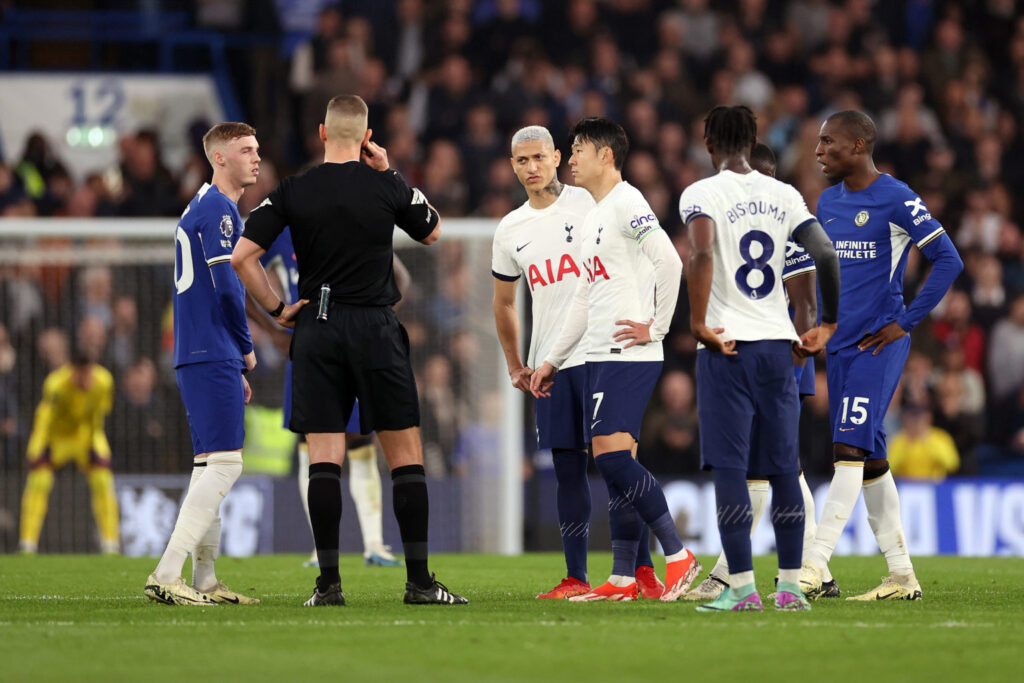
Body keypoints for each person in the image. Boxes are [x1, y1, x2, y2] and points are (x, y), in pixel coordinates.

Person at [233, 94, 466, 606]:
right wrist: (392, 171)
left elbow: (243, 257)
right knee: (404, 455)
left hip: (317, 326)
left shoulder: (294, 190)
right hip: (376, 326)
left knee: (325, 457)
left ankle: (329, 586)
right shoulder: (384, 184)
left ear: (321, 133)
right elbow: (432, 231)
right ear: (365, 137)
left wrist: (277, 309)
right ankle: (420, 583)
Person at [530, 117, 700, 603]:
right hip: (599, 350)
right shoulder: (595, 216)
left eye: (579, 149)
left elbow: (669, 260)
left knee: (608, 455)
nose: (572, 158)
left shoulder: (628, 202)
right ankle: (624, 576)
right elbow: (583, 297)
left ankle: (678, 555)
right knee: (615, 459)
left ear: (606, 155)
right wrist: (552, 359)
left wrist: (657, 327)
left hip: (629, 350)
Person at [678, 106, 841, 612]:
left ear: (708, 142)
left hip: (727, 348)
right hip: (778, 348)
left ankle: (743, 591)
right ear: (753, 140)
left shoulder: (700, 194)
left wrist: (698, 322)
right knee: (784, 470)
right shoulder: (785, 194)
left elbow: (702, 253)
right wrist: (827, 325)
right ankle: (790, 589)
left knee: (731, 471)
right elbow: (826, 256)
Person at [492, 125, 663, 600]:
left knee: (617, 462)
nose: (532, 167)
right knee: (567, 468)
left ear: (555, 157)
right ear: (512, 165)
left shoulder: (593, 201)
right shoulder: (510, 230)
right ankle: (576, 577)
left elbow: (646, 260)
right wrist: (515, 363)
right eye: (521, 160)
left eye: (539, 158)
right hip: (553, 358)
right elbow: (504, 303)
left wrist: (645, 322)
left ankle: (641, 571)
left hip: (606, 350)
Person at [801, 110, 963, 601]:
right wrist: (821, 328)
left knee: (847, 450)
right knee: (869, 459)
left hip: (879, 343)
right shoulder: (826, 203)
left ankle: (812, 565)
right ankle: (901, 576)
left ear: (859, 144)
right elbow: (825, 277)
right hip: (841, 348)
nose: (819, 151)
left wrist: (906, 321)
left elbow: (947, 259)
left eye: (829, 142)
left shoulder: (896, 196)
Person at [143, 122, 269, 606]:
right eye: (245, 150)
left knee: (208, 464)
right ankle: (166, 572)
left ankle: (206, 579)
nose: (256, 158)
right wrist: (245, 348)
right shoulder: (218, 210)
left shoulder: (200, 206)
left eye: (256, 149)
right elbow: (227, 287)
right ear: (219, 158)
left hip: (195, 351)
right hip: (211, 348)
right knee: (226, 465)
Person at [247, 229, 408, 568]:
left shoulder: (347, 219)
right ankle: (322, 548)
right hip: (307, 347)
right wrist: (275, 329)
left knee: (361, 440)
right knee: (314, 445)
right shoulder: (283, 231)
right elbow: (241, 269)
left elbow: (400, 276)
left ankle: (374, 544)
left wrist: (380, 315)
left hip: (352, 345)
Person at [18, 343, 119, 555]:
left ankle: (111, 543)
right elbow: (45, 418)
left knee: (103, 480)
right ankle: (27, 544)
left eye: (89, 372)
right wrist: (38, 447)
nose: (85, 379)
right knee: (39, 481)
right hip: (57, 437)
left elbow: (98, 416)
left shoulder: (103, 381)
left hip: (85, 434)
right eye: (81, 374)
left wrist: (94, 444)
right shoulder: (56, 385)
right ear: (71, 369)